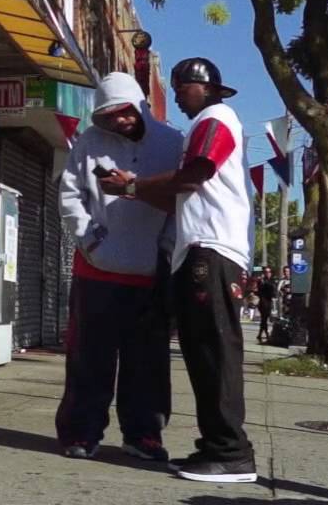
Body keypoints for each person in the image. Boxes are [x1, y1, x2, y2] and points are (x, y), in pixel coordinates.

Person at [100, 57, 256, 484]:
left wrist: (132, 186)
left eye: (181, 88)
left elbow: (195, 174)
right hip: (200, 252)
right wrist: (134, 190)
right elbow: (180, 195)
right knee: (202, 355)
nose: (177, 97)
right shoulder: (205, 124)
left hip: (213, 252)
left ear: (204, 87)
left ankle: (232, 453)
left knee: (215, 355)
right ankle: (215, 446)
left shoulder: (215, 118)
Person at [55, 72, 182, 462]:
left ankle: (143, 435)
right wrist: (90, 240)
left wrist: (166, 249)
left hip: (150, 271)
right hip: (96, 268)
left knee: (147, 361)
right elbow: (70, 194)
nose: (119, 121)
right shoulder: (89, 142)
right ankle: (81, 432)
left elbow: (183, 202)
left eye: (125, 111)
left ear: (140, 105)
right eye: (109, 115)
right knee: (89, 358)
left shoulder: (173, 142)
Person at [256, 267, 277, 343]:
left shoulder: (273, 280)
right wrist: (261, 282)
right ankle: (266, 334)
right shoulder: (261, 281)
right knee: (264, 318)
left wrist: (265, 283)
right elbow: (259, 290)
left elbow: (273, 288)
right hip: (263, 302)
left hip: (270, 301)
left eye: (269, 272)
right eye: (266, 272)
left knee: (264, 319)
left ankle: (261, 334)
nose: (267, 273)